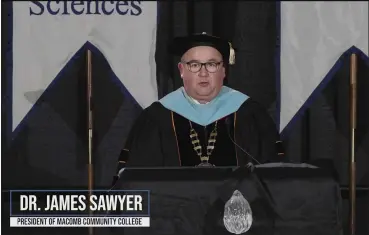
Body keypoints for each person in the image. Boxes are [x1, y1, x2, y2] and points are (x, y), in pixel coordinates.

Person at [114, 32, 284, 174]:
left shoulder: (249, 113)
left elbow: (274, 175)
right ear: (181, 70)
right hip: (174, 212)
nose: (203, 73)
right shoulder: (157, 116)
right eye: (194, 65)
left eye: (211, 64)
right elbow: (136, 179)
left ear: (223, 70)